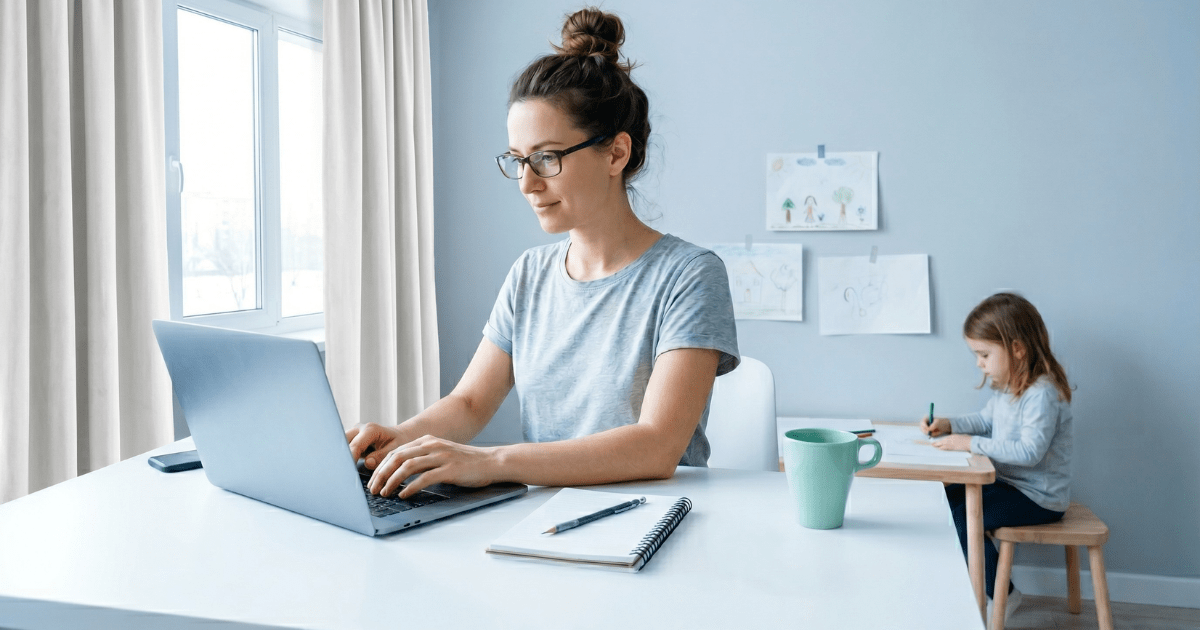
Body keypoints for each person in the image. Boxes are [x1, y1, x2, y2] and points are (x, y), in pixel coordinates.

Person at [346, 7, 739, 501]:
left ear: (616, 153)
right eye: (517, 160)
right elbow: (469, 403)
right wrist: (399, 439)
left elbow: (656, 445)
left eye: (547, 158)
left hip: (652, 522)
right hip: (546, 519)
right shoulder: (529, 274)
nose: (528, 183)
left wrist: (490, 461)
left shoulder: (690, 276)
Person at [922, 292, 1073, 618]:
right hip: (1010, 485)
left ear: (1017, 349)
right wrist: (948, 424)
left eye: (984, 354)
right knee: (946, 500)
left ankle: (1001, 594)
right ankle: (962, 584)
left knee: (965, 518)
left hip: (1039, 497)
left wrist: (969, 444)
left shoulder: (1042, 394)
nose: (979, 363)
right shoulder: (1009, 388)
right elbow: (985, 421)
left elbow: (1030, 452)